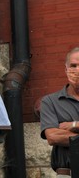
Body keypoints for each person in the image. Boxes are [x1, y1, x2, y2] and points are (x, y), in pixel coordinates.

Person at [40, 47, 79, 177]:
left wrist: (74, 125)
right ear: (66, 69)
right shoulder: (50, 101)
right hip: (67, 174)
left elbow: (61, 135)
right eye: (73, 66)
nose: (77, 70)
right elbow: (53, 136)